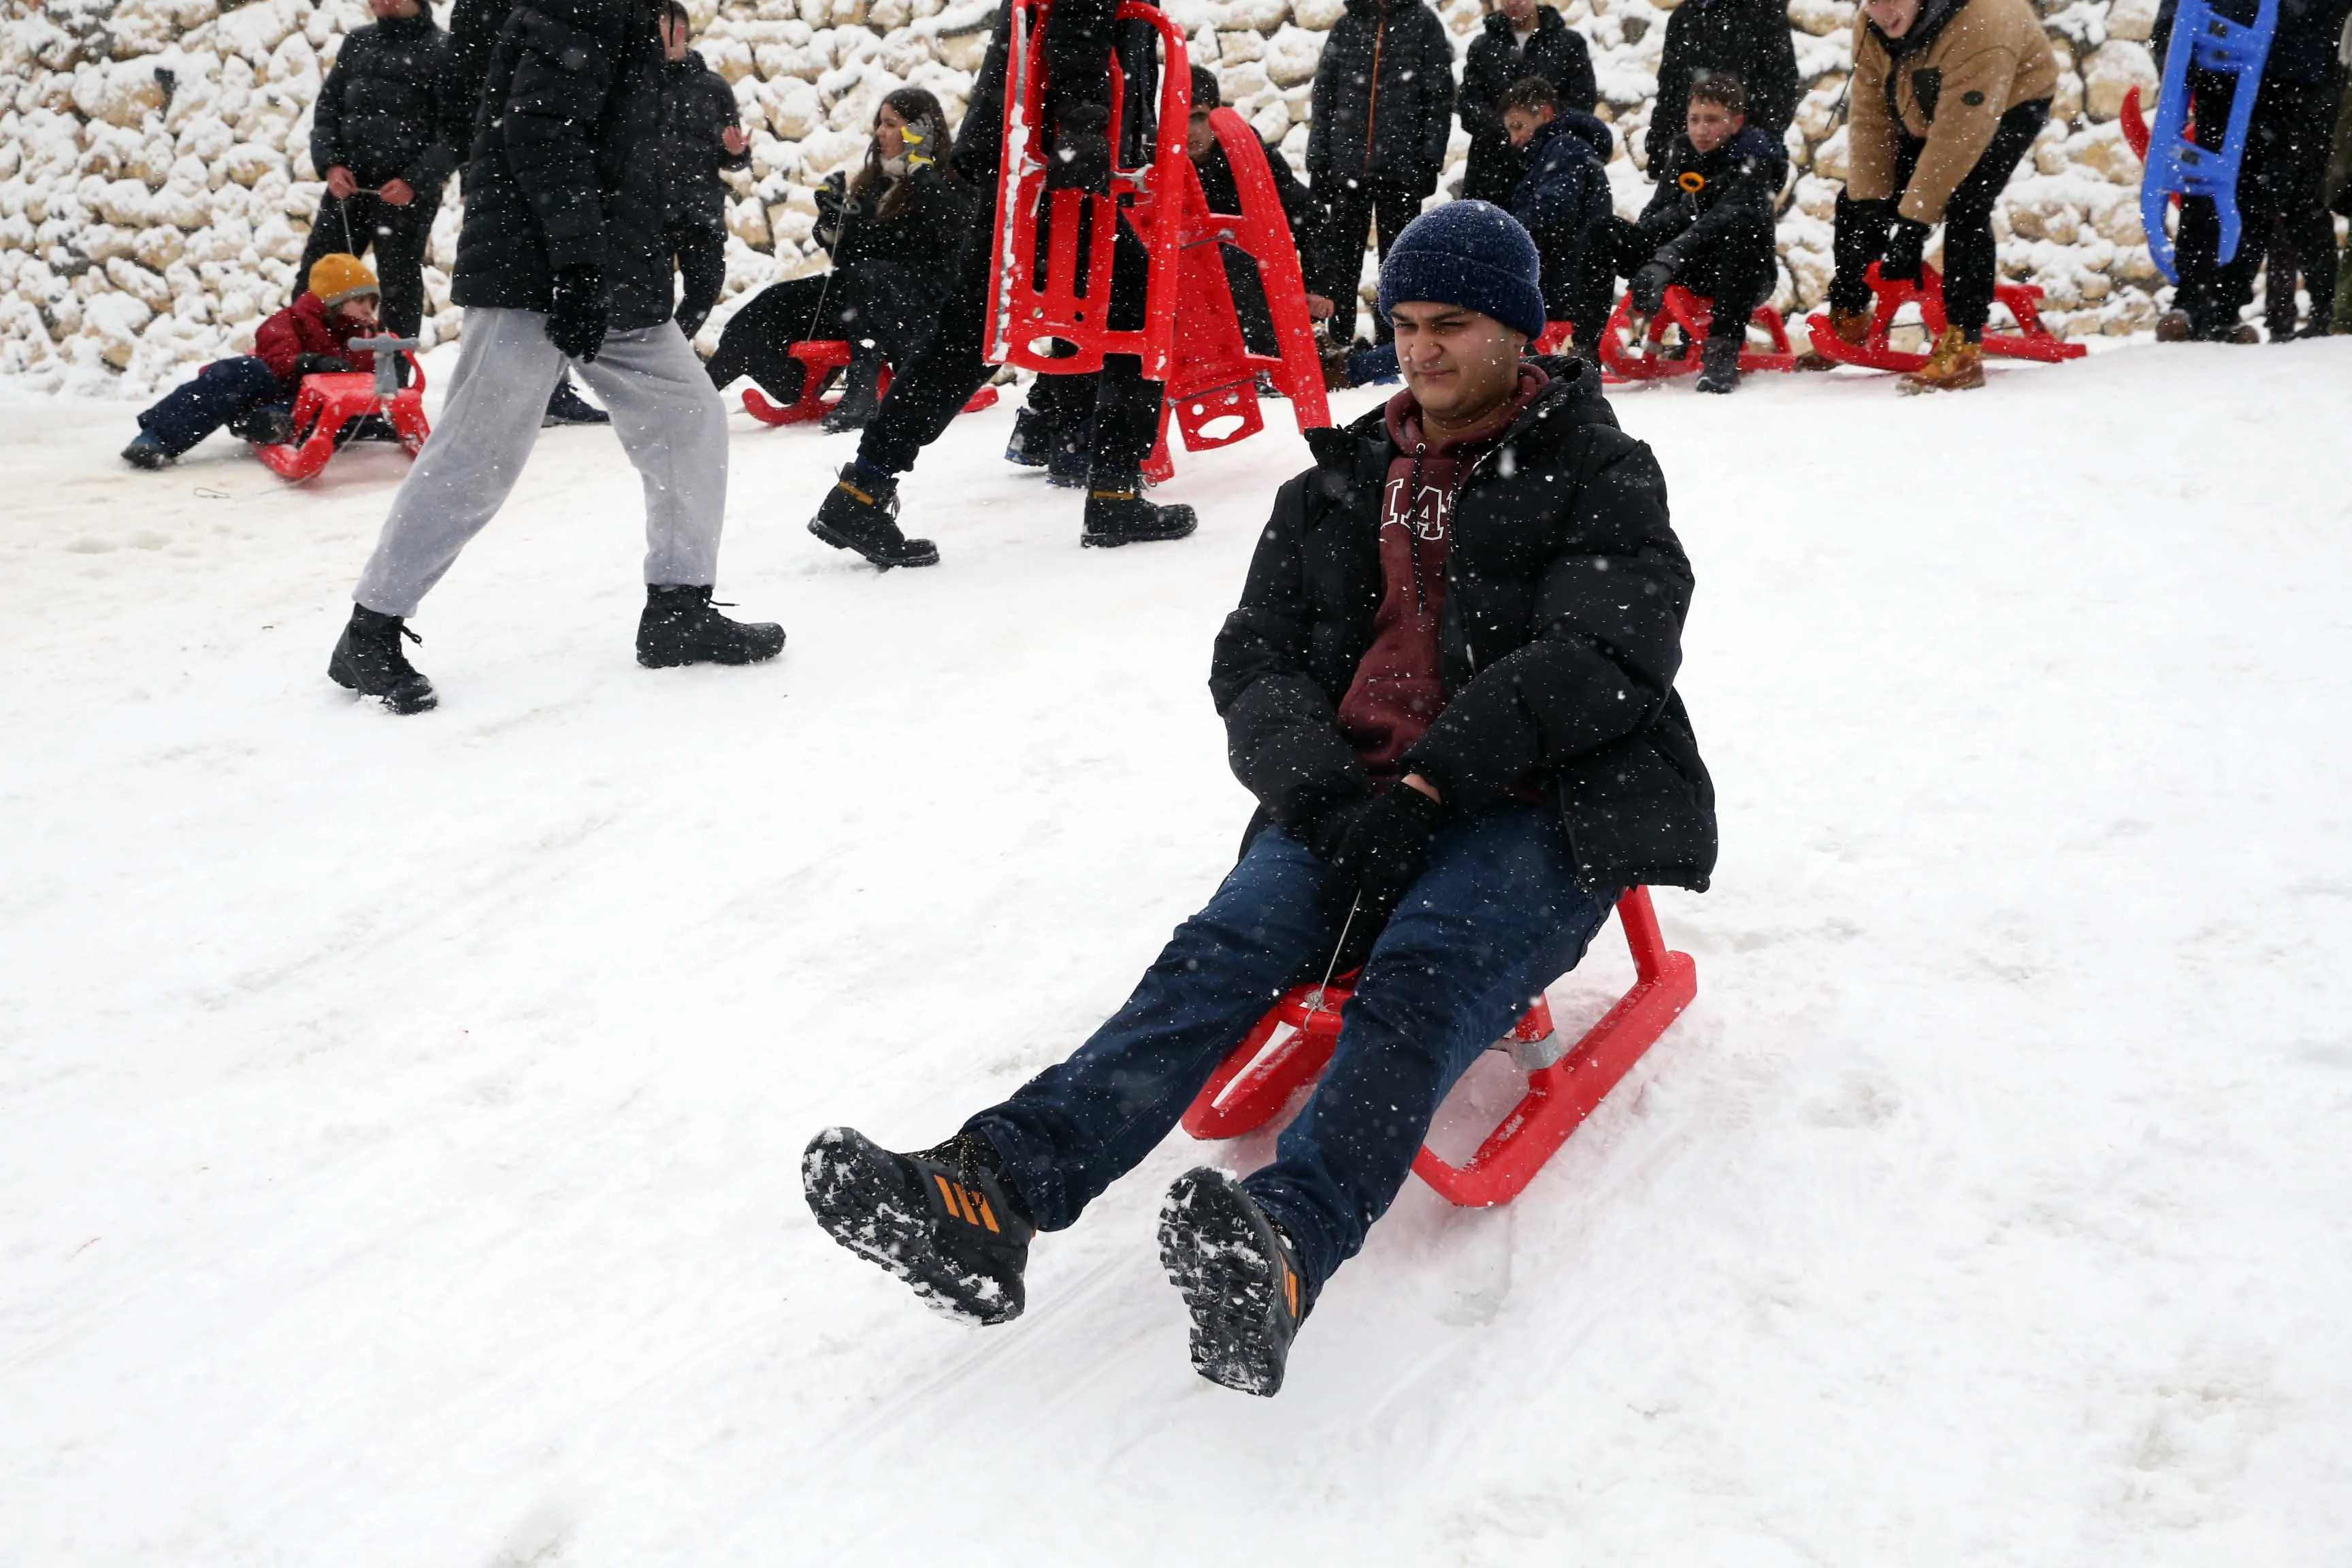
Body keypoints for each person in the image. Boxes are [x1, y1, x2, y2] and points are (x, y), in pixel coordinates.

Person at [802, 201, 1715, 1398]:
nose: (1425, 350)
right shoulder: (1338, 482)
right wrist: (1318, 785)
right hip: (1352, 796)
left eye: (1454, 325)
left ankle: (1284, 1242)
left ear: (1520, 331)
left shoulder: (1596, 467)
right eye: (1408, 323)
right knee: (1217, 953)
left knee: (1425, 971)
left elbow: (1604, 652)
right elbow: (1255, 656)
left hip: (1534, 802)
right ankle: (997, 1188)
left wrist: (1439, 776)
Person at [327, 0, 783, 716]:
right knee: (481, 452)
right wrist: (574, 268)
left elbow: (613, 147)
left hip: (611, 273)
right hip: (533, 269)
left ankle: (677, 608)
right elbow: (541, 134)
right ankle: (370, 629)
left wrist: (620, 264)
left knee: (688, 415)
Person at [806, 0, 1200, 568]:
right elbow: (1076, 21)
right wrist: (1083, 127)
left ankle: (863, 488)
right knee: (1124, 311)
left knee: (976, 332)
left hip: (1033, 150)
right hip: (1051, 157)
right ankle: (1113, 493)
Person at [1819, 0, 2054, 392]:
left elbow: (1955, 142)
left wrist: (1912, 230)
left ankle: (1963, 345)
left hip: (2009, 101)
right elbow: (1871, 117)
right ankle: (1851, 313)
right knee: (1856, 201)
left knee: (1967, 204)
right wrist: (1871, 207)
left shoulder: (1984, 24)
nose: (1882, 10)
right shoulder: (1873, 24)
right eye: (1872, 0)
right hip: (1925, 101)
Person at [705, 90, 971, 435]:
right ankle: (697, 392)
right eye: (880, 123)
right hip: (865, 301)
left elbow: (951, 226)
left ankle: (863, 389)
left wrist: (922, 169)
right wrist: (836, 226)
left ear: (922, 130)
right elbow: (850, 263)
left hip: (922, 307)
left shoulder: (951, 179)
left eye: (891, 124)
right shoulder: (874, 183)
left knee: (868, 280)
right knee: (774, 302)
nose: (879, 132)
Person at [445, 0, 612, 426]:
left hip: (537, 178)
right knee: (486, 419)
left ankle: (553, 389)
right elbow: (465, 95)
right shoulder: (500, 15)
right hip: (512, 188)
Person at [2151, 0, 2352, 342]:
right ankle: (2197, 303)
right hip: (2239, 59)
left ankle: (2223, 307)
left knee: (2277, 195)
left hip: (2292, 68)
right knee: (2221, 186)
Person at [1576, 71, 1784, 393]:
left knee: (1741, 226)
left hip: (1735, 271)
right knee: (1603, 230)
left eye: (1712, 120)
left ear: (1737, 123)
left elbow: (1722, 219)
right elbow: (1653, 216)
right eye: (1694, 119)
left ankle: (1722, 350)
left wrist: (1667, 259)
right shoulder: (1683, 153)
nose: (1701, 130)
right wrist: (1675, 222)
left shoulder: (1753, 160)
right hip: (1680, 263)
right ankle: (1585, 353)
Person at [122, 255, 383, 469]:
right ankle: (156, 438)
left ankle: (266, 424)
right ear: (332, 300)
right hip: (268, 390)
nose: (368, 310)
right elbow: (275, 362)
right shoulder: (290, 321)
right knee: (242, 371)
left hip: (305, 408)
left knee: (334, 404)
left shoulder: (365, 337)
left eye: (372, 302)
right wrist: (308, 362)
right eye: (360, 300)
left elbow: (366, 389)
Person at [301, 0, 456, 348]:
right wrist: (331, 164)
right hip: (347, 190)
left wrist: (415, 181)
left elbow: (456, 134)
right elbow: (329, 111)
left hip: (404, 198)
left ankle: (394, 380)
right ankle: (306, 368)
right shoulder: (358, 42)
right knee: (318, 280)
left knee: (398, 288)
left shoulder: (443, 51)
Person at [1307, 0, 1458, 344]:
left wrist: (1429, 159)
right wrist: (1319, 160)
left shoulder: (1423, 24)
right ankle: (1339, 341)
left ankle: (1394, 343)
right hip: (1347, 167)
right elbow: (1325, 97)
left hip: (1401, 170)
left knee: (1398, 263)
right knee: (1342, 264)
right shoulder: (1347, 26)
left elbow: (1439, 97)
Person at [653, 0, 750, 344]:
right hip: (652, 212)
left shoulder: (714, 88)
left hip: (700, 210)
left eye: (660, 27)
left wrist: (738, 152)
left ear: (679, 31)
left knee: (705, 290)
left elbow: (733, 158)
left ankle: (671, 353)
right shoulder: (637, 86)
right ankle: (664, 363)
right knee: (654, 302)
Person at [1497, 77, 1615, 342]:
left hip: (1562, 279)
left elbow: (1552, 214)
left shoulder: (1565, 149)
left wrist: (1503, 235)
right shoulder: (1557, 151)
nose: (1514, 139)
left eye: (1518, 126)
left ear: (1546, 114)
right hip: (1565, 275)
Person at [1459, 0, 1598, 206]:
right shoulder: (1483, 47)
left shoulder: (1569, 44)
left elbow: (1582, 103)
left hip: (1549, 167)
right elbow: (1469, 105)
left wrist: (1539, 131)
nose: (1512, 3)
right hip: (1491, 171)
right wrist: (1508, 130)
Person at [1646, 0, 1799, 177]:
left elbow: (1783, 84)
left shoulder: (1766, 12)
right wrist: (1659, 144)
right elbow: (1670, 89)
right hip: (1693, 152)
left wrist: (1762, 141)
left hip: (1747, 154)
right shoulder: (1685, 16)